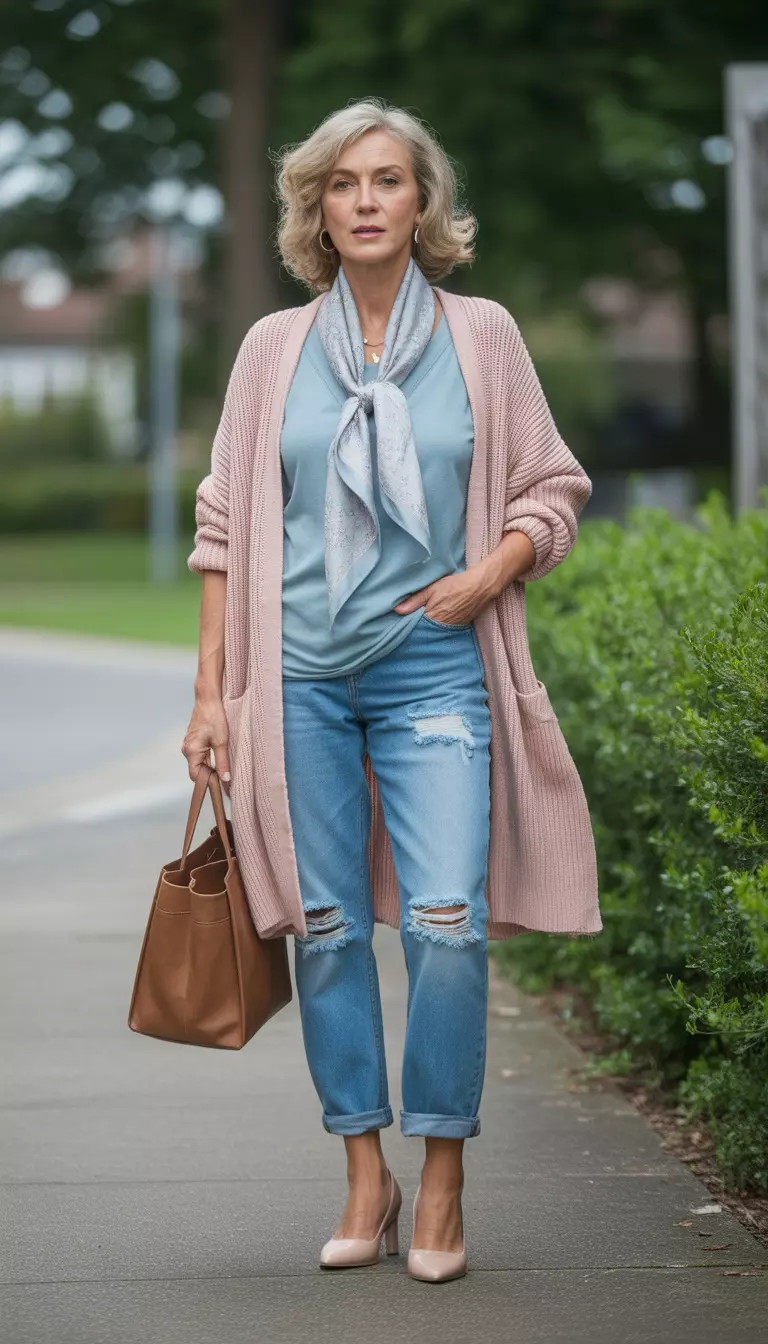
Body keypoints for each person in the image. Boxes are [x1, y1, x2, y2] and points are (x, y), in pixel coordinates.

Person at [182, 98, 601, 1283]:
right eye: (342, 184)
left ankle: (445, 1174)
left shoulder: (483, 336)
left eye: (387, 181)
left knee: (445, 925)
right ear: (316, 210)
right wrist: (212, 697)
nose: (364, 201)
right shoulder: (272, 349)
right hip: (298, 682)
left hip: (434, 667)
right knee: (323, 931)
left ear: (424, 205)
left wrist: (487, 576)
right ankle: (365, 1171)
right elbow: (223, 525)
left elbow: (551, 491)